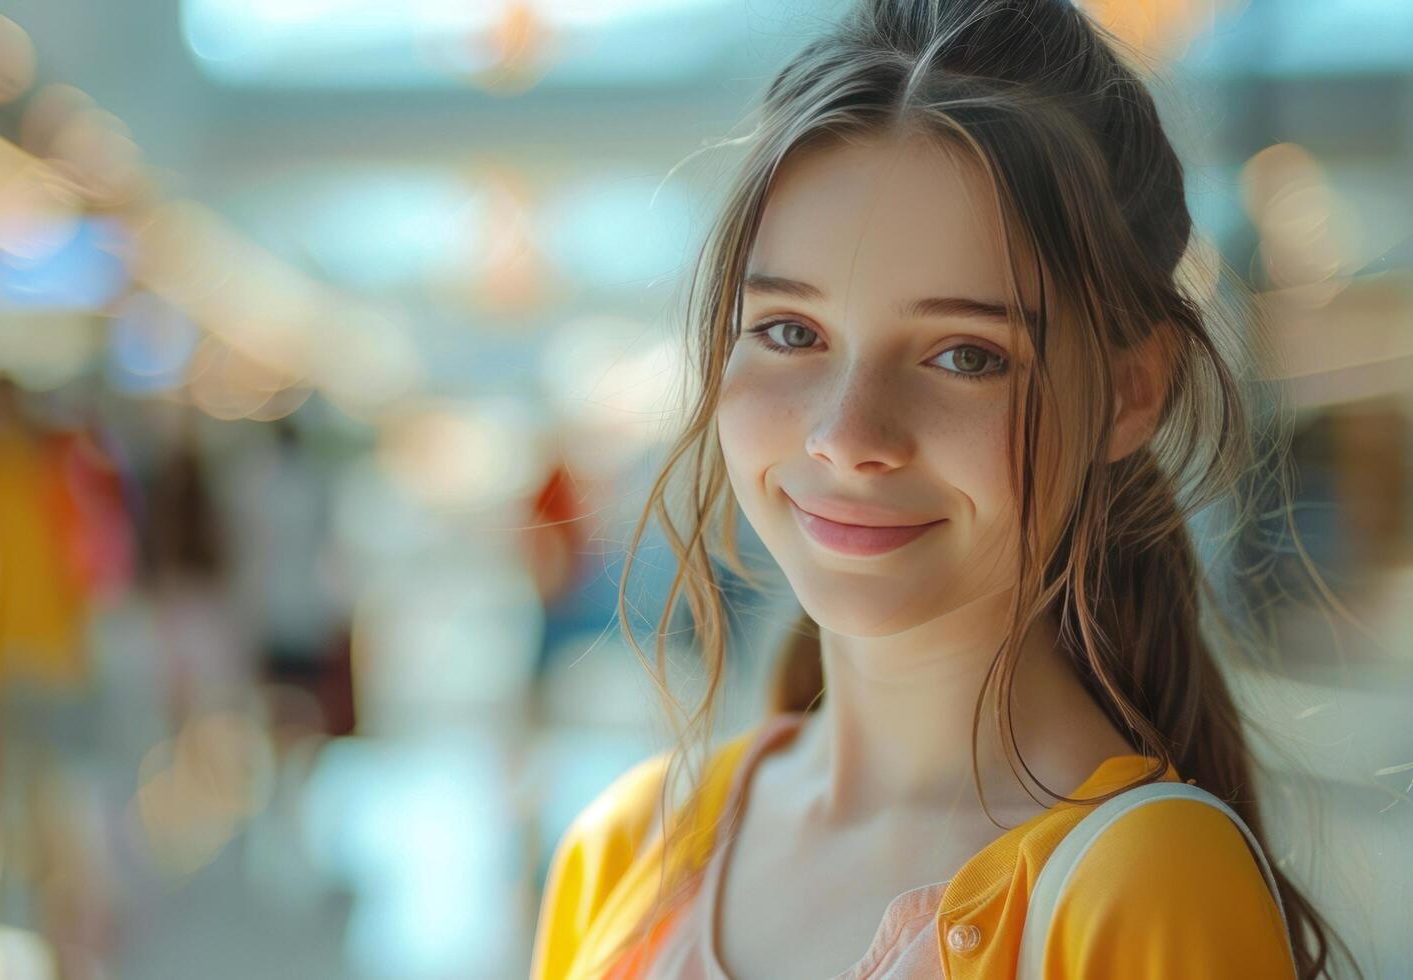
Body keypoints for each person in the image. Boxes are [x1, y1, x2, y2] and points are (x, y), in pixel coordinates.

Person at [530, 1, 1361, 979]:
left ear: (1132, 390)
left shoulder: (1140, 884)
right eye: (791, 331)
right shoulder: (632, 846)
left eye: (967, 354)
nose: (848, 435)